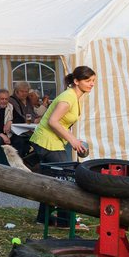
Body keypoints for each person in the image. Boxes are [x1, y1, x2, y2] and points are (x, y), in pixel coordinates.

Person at [28, 65, 96, 228]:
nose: (92, 84)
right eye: (88, 80)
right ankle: (65, 221)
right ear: (76, 81)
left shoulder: (74, 96)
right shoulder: (68, 97)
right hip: (48, 142)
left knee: (53, 180)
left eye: (93, 80)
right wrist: (73, 140)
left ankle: (43, 219)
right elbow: (52, 121)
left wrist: (73, 139)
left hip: (51, 141)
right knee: (66, 180)